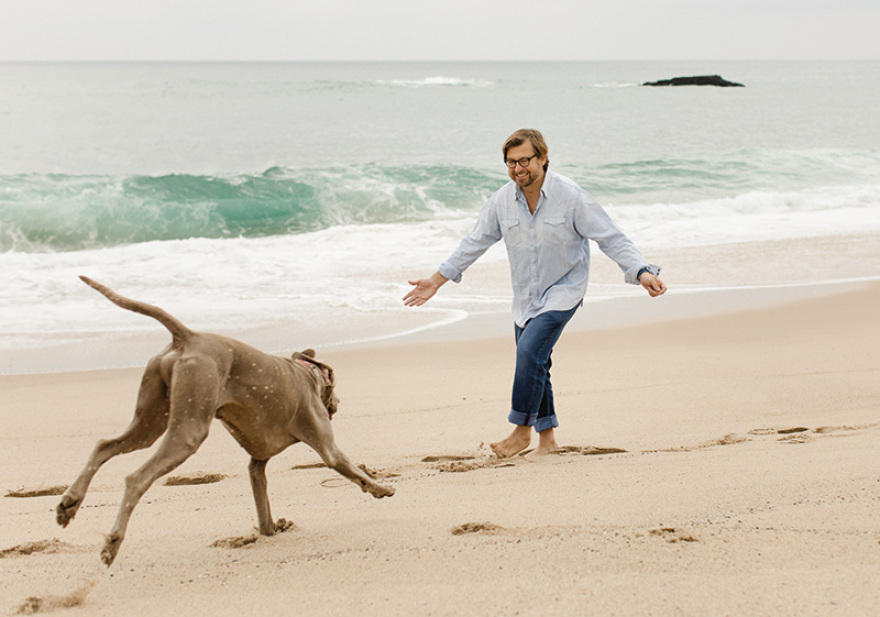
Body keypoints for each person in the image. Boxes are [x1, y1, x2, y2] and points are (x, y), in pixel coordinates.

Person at [403, 129, 666, 457]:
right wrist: (436, 280)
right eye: (511, 162)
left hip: (564, 291)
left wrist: (640, 271)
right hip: (526, 297)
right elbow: (474, 242)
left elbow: (611, 237)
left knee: (528, 353)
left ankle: (521, 432)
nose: (518, 168)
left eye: (525, 160)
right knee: (537, 362)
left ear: (543, 158)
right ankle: (548, 440)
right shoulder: (502, 200)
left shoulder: (571, 196)